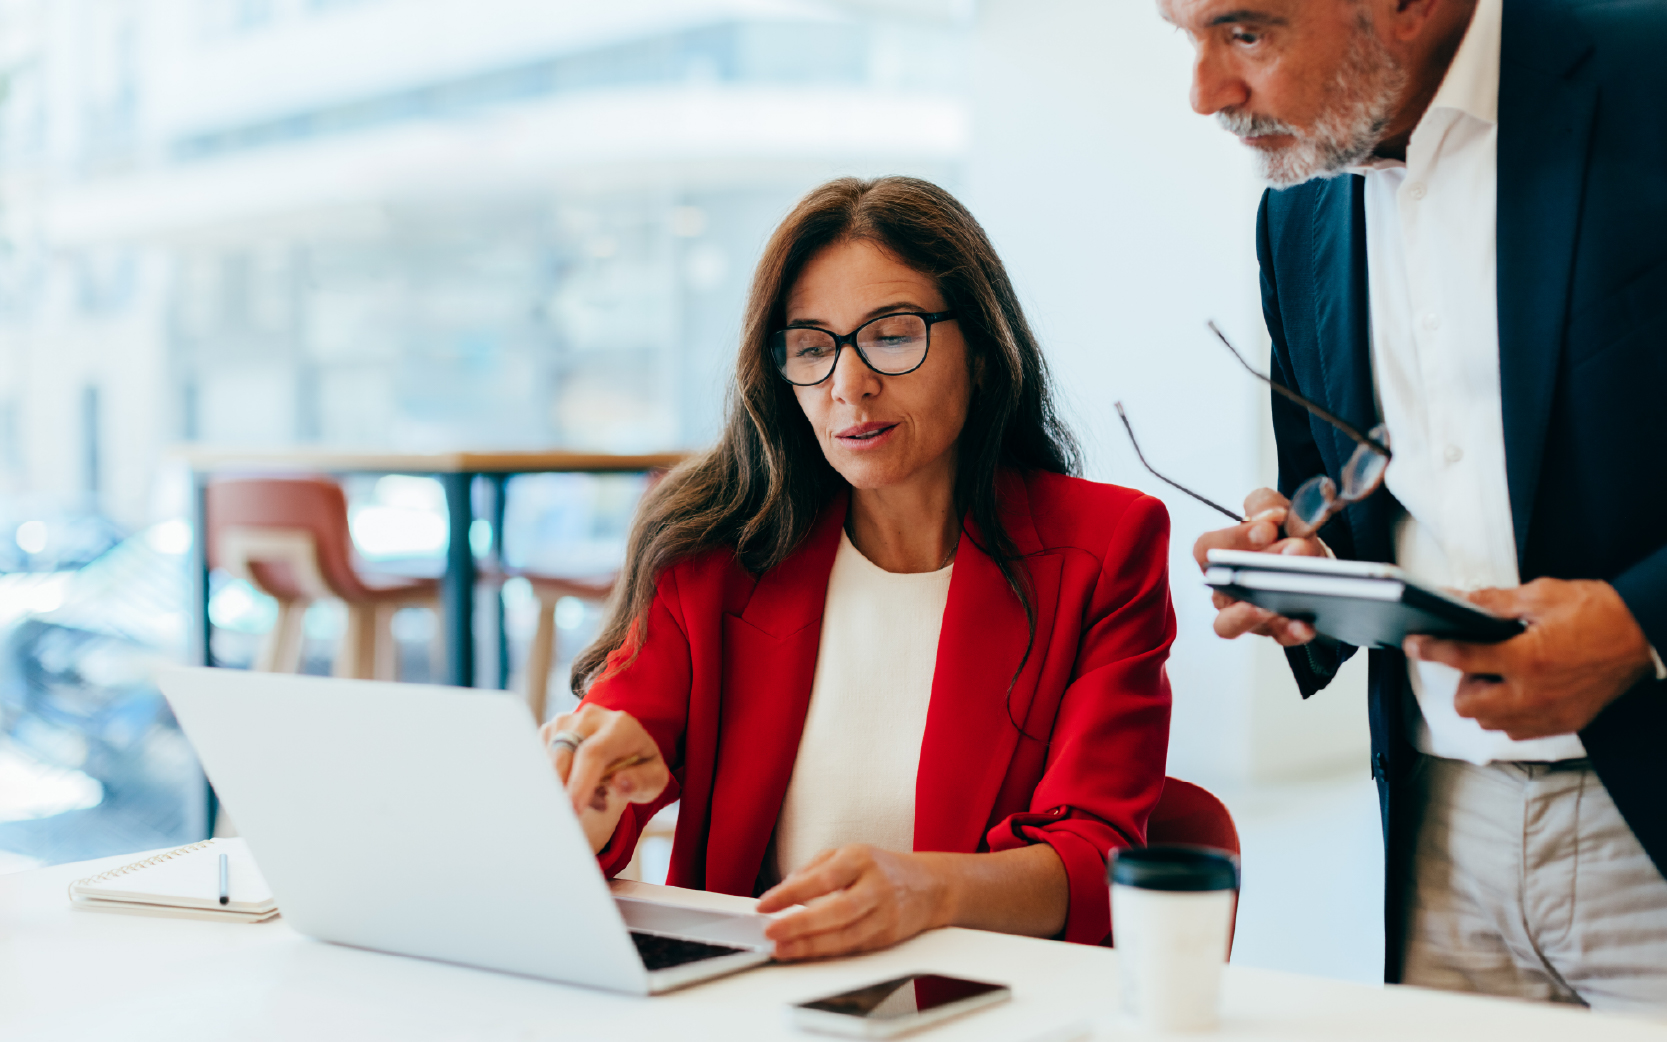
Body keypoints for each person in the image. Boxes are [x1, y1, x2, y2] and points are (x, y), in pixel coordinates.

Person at [1162, 0, 1667, 1011]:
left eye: (1245, 34)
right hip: (1434, 829)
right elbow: (1337, 490)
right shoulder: (1293, 205)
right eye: (1189, 38)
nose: (1204, 93)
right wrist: (1303, 564)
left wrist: (1635, 626)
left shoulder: (1647, 77)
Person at [536, 176, 1175, 959]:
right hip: (757, 1009)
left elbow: (1094, 856)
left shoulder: (1105, 546)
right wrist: (588, 798)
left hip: (988, 1011)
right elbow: (615, 760)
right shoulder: (713, 554)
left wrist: (928, 892)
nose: (848, 386)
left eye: (892, 336)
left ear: (979, 347)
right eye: (811, 347)